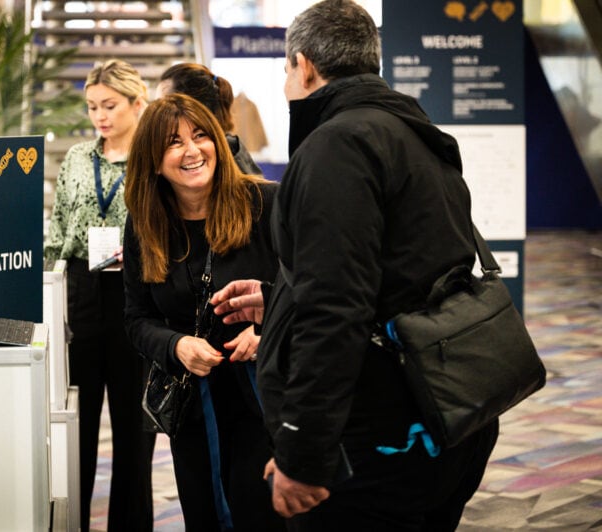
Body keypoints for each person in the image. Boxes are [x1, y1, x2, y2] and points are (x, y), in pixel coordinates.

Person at [210, 1, 499, 530]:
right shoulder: (410, 129)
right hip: (442, 418)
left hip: (379, 437)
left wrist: (305, 456)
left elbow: (335, 311)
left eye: (285, 71)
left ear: (304, 65)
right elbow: (396, 274)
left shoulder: (337, 146)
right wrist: (281, 299)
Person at [122, 93, 285, 532]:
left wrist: (268, 332)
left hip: (265, 399)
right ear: (154, 161)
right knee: (205, 514)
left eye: (200, 136)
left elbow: (311, 295)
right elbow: (136, 320)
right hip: (193, 405)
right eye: (174, 143)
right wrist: (176, 346)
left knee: (262, 515)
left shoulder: (266, 204)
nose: (192, 151)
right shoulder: (145, 222)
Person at [43, 59, 154, 532]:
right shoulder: (76, 158)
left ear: (136, 103)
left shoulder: (153, 160)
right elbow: (59, 228)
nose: (100, 117)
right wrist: (47, 280)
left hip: (136, 293)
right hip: (83, 293)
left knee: (133, 429)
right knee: (78, 424)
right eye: (92, 107)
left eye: (109, 106)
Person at [155, 62, 263, 175]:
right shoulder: (228, 151)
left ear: (192, 108)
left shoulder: (222, 167)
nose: (155, 115)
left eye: (162, 106)